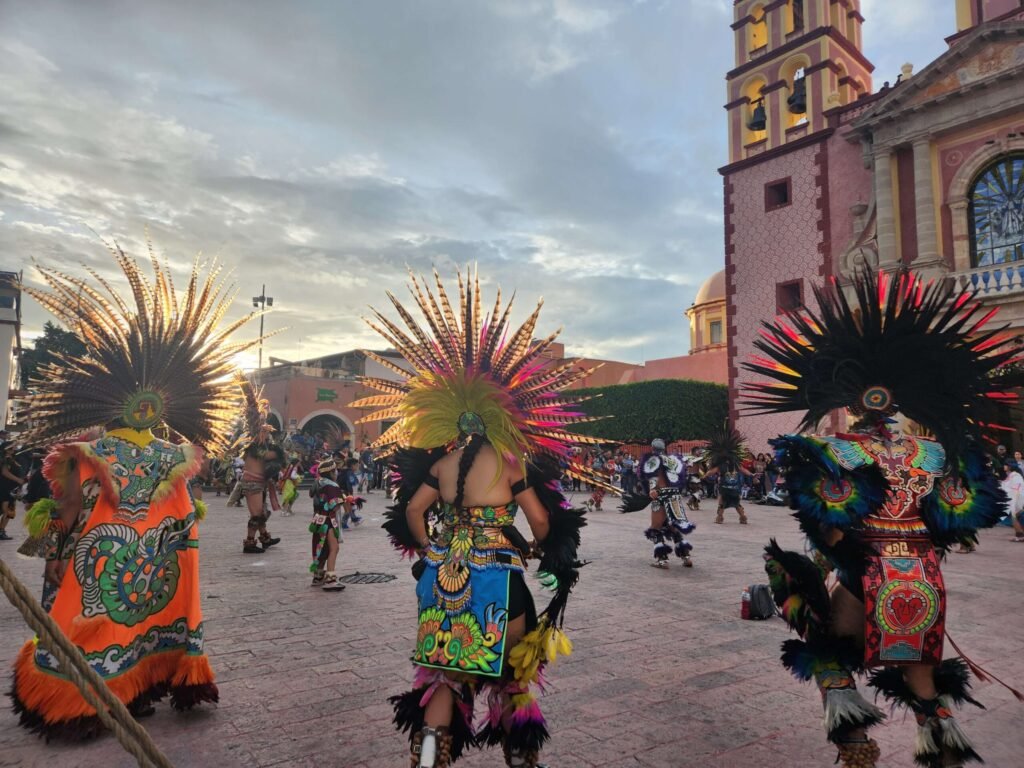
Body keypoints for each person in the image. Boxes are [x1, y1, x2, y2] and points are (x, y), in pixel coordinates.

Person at [745, 267, 1015, 767]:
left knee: (822, 641)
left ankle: (855, 747)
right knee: (922, 677)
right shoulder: (933, 451)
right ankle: (942, 749)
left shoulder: (833, 449)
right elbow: (957, 520)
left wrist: (832, 548)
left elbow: (828, 527)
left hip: (863, 574)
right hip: (924, 578)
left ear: (852, 400)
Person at [351, 269, 603, 767]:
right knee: (512, 676)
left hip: (443, 578)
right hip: (498, 581)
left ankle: (427, 761)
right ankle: (522, 759)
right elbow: (541, 521)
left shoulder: (443, 465)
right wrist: (535, 547)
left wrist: (428, 549)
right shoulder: (512, 464)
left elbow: (414, 510)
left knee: (445, 676)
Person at [11, 246, 256, 739]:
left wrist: (55, 555)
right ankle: (146, 687)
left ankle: (87, 700)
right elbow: (188, 522)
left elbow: (68, 511)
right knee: (146, 624)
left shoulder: (91, 451)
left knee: (99, 627)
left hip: (103, 568)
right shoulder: (176, 457)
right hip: (162, 573)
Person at [622, 438, 695, 568]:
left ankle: (662, 559)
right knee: (673, 526)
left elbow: (653, 474)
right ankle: (686, 557)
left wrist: (652, 489)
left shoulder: (654, 459)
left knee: (655, 528)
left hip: (661, 495)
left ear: (652, 448)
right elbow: (680, 477)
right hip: (674, 495)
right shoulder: (672, 460)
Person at [308, 459, 346, 591]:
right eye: (335, 470)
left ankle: (318, 576)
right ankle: (330, 578)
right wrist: (347, 501)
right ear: (331, 472)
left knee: (321, 547)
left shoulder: (318, 483)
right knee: (333, 548)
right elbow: (334, 505)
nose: (337, 472)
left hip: (317, 519)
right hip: (328, 520)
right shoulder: (332, 486)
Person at [702, 429, 750, 525]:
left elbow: (711, 472)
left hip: (724, 488)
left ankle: (719, 518)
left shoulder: (721, 466)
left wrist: (704, 476)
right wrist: (752, 475)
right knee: (737, 504)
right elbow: (745, 471)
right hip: (735, 488)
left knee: (721, 503)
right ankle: (743, 517)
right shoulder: (736, 465)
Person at [0, 441, 25, 541]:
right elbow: (4, 472)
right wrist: (18, 480)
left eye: (14, 447)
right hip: (5, 487)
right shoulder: (5, 459)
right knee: (5, 510)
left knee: (9, 510)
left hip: (12, 488)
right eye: (12, 448)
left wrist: (19, 486)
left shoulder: (13, 458)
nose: (14, 449)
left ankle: (2, 531)